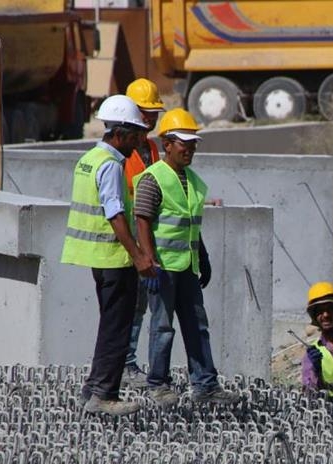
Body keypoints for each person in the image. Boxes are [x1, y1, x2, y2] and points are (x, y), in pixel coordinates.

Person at [133, 108, 236, 408]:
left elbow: (191, 223)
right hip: (162, 269)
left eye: (193, 144)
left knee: (196, 325)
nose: (190, 149)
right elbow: (142, 221)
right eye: (184, 143)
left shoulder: (191, 180)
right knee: (163, 327)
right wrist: (149, 261)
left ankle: (205, 385)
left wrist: (202, 257)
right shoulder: (153, 178)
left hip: (186, 267)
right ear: (167, 144)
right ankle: (158, 384)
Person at [60, 95, 156, 416]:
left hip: (95, 259)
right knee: (118, 327)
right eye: (134, 135)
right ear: (119, 133)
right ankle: (104, 394)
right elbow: (115, 214)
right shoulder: (112, 166)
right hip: (114, 259)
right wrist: (140, 256)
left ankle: (92, 389)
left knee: (109, 325)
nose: (138, 142)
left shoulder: (88, 159)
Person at [122, 78, 165, 385]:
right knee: (127, 304)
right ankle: (123, 362)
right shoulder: (121, 150)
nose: (150, 117)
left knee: (141, 303)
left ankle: (129, 361)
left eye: (154, 112)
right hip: (126, 240)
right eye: (144, 111)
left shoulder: (151, 147)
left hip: (146, 237)